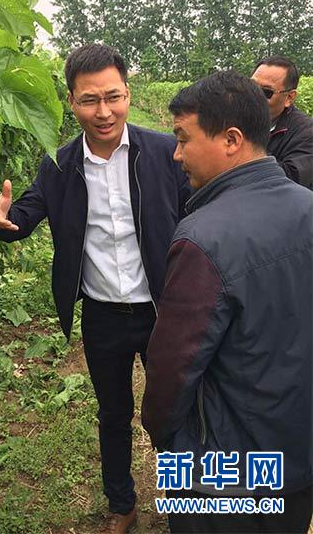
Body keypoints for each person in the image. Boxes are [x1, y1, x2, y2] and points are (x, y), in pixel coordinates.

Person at [0, 44, 191, 533]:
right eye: (90, 100)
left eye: (113, 97)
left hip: (163, 310)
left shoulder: (163, 152)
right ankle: (122, 504)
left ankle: (184, 500)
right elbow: (23, 215)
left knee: (174, 413)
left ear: (128, 94)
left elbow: (199, 210)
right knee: (113, 414)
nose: (104, 112)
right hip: (102, 315)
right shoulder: (59, 165)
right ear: (71, 102)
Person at [141, 70, 313, 533]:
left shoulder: (203, 239)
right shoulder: (307, 207)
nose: (176, 154)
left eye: (183, 139)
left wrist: (163, 434)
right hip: (298, 455)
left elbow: (173, 368)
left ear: (231, 139)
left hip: (225, 478)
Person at [251, 55, 313, 189]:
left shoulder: (307, 132)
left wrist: (247, 149)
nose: (254, 96)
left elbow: (293, 178)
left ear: (289, 97)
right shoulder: (234, 117)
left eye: (266, 92)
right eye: (252, 87)